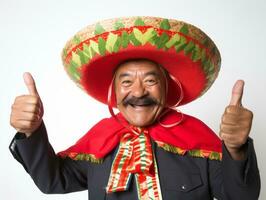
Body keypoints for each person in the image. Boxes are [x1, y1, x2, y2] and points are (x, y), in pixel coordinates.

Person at [9, 16, 260, 200]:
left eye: (150, 81)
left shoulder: (197, 140)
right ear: (114, 92)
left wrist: (235, 149)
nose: (139, 92)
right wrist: (32, 131)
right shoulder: (100, 140)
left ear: (167, 88)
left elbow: (241, 197)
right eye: (127, 81)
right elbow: (52, 181)